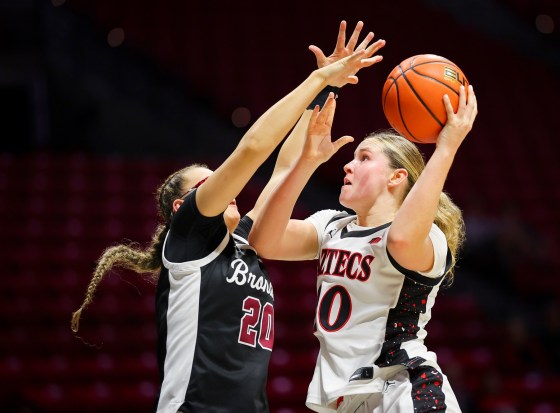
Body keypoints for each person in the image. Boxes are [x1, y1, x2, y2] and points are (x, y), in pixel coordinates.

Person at [70, 21, 385, 413]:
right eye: (207, 185)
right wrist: (316, 76)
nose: (225, 189)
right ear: (183, 209)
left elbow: (285, 170)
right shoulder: (188, 240)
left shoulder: (242, 242)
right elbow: (253, 149)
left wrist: (330, 85)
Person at [249, 82, 478, 411]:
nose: (348, 165)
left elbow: (399, 240)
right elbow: (264, 240)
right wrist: (306, 163)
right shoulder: (332, 225)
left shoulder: (428, 238)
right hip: (343, 397)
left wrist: (446, 148)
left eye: (364, 158)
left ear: (396, 178)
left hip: (401, 387)